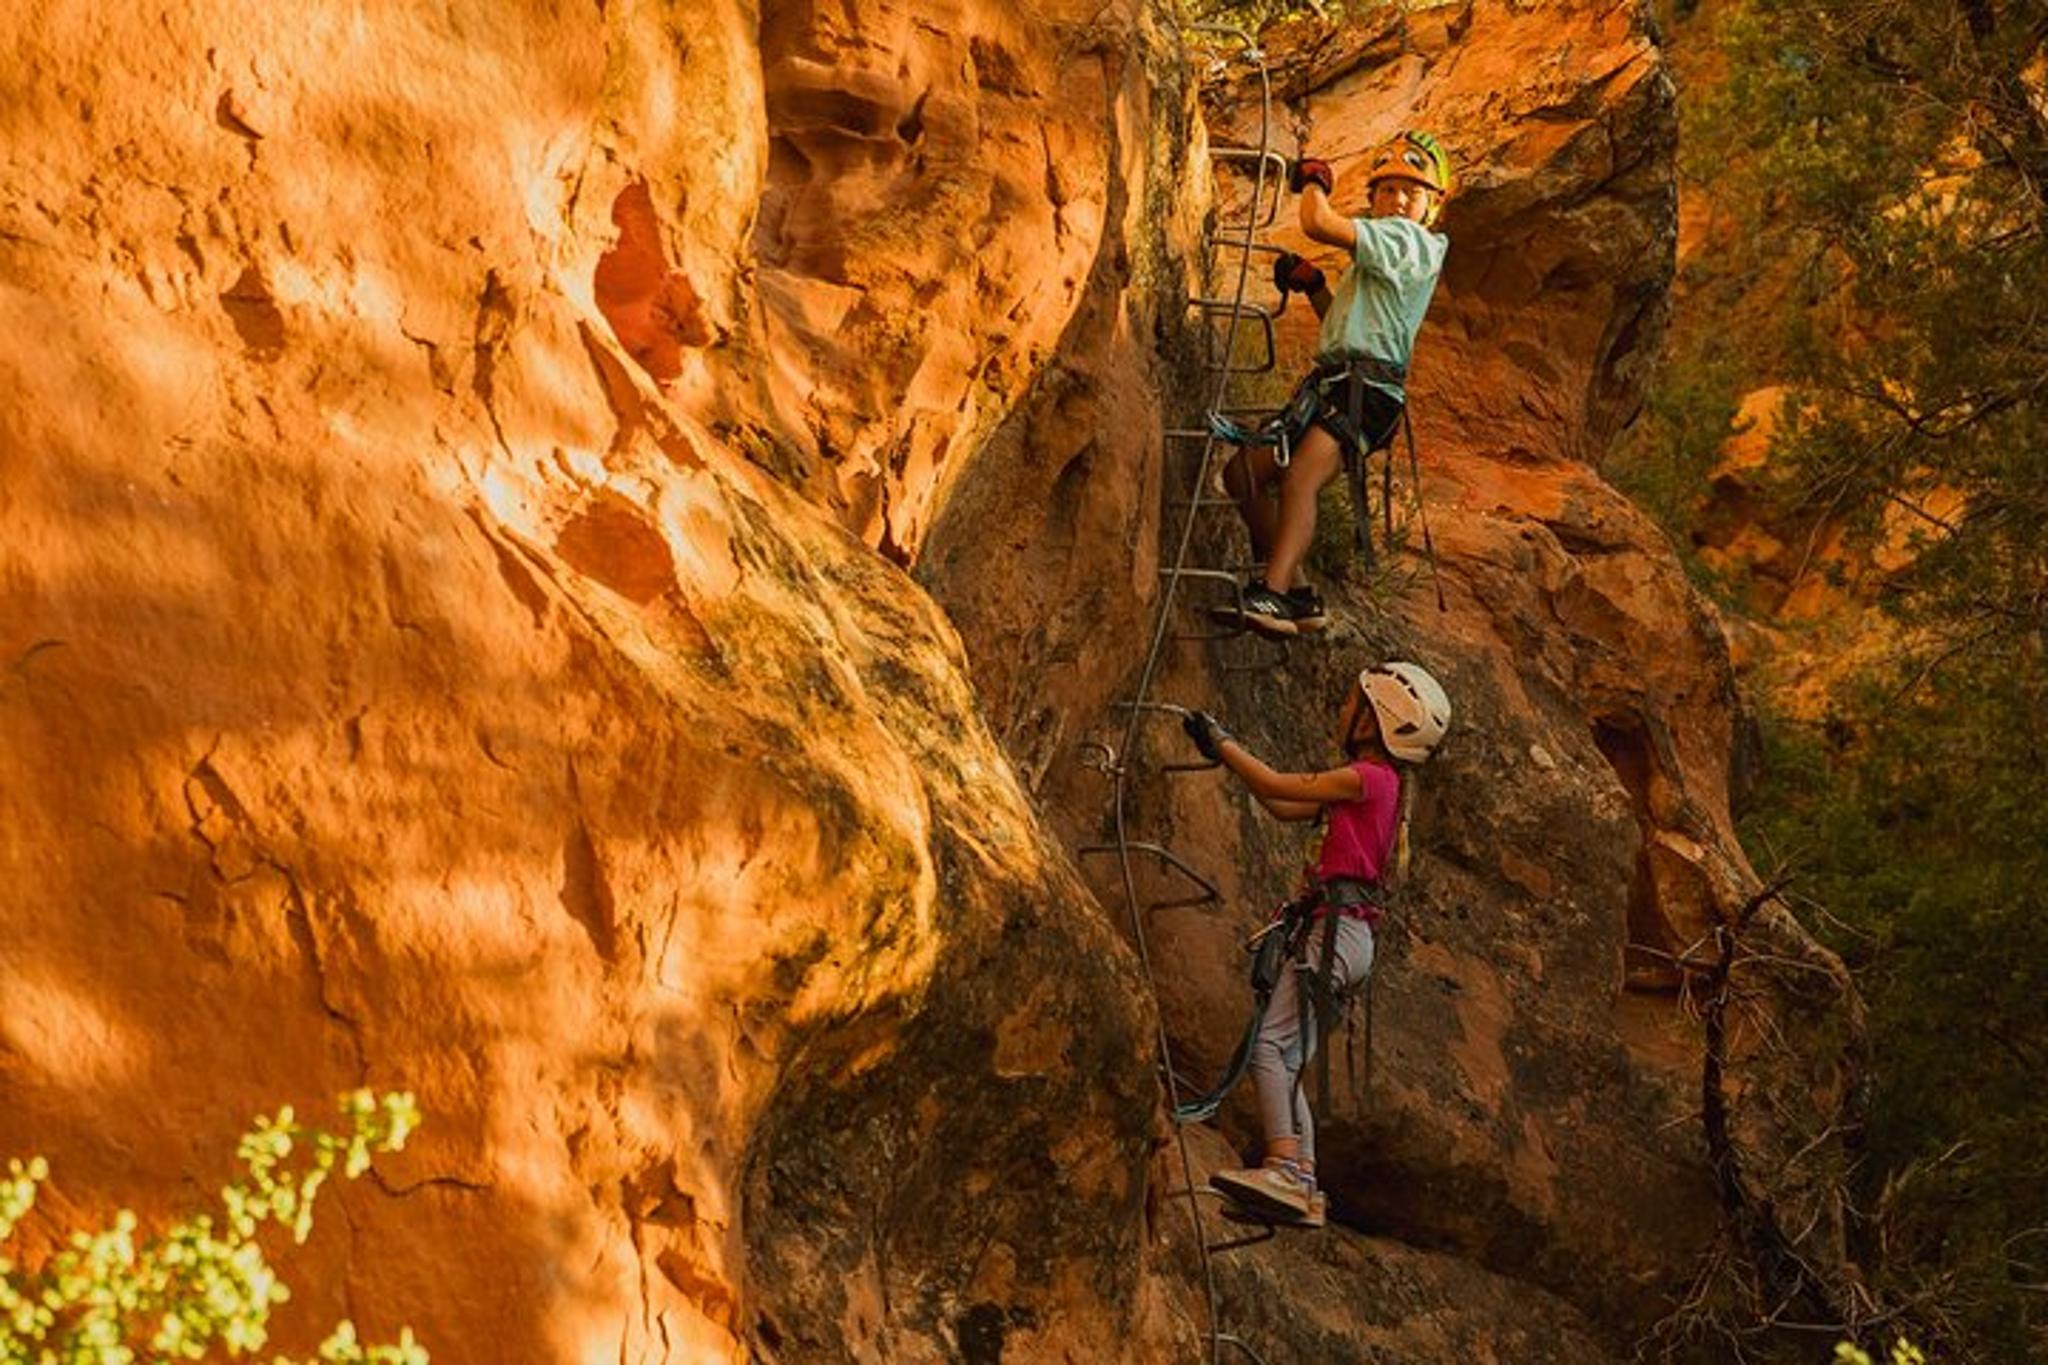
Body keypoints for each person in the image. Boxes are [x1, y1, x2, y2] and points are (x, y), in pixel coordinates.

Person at [1180, 661, 1452, 1226]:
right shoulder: (1378, 789)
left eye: (1352, 702)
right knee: (1290, 1056)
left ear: (1375, 721)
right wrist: (1225, 756)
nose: (1341, 710)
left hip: (1334, 935)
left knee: (1268, 1050)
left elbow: (1279, 784)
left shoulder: (1369, 779)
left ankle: (1284, 1168)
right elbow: (1283, 806)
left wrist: (1222, 743)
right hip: (1352, 940)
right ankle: (1305, 1185)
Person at [1216, 131, 1453, 637]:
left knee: (1300, 478)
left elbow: (1317, 222)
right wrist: (1317, 287)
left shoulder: (1407, 240)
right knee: (1244, 475)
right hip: (1338, 384)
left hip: (1364, 394)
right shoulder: (1382, 259)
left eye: (1411, 192)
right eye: (1386, 190)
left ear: (1433, 207)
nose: (1396, 201)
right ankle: (1296, 593)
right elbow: (1344, 330)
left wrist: (1315, 182)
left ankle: (1274, 595)